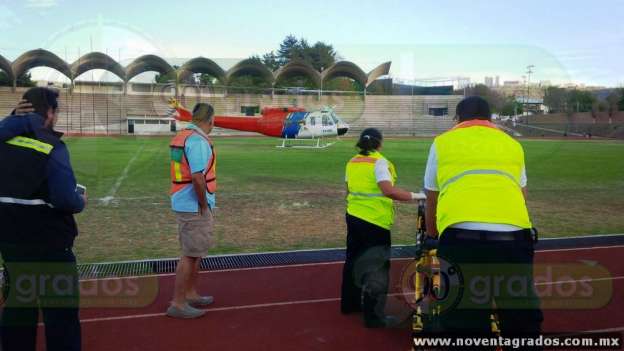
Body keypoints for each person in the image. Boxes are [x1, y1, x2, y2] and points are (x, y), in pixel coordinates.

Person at [423, 96, 542, 345]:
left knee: (463, 320)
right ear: (490, 119)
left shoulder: (443, 142)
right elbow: (522, 194)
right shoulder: (512, 144)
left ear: (457, 119)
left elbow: (432, 196)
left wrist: (433, 231)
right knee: (521, 318)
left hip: (460, 237)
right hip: (514, 236)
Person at [0, 87, 86, 351]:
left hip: (12, 243)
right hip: (51, 246)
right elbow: (64, 200)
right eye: (56, 111)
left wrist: (12, 120)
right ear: (49, 113)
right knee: (61, 318)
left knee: (18, 312)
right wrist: (80, 200)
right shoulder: (51, 147)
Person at [341, 128, 424, 328]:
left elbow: (348, 189)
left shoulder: (352, 162)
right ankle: (374, 316)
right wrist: (418, 196)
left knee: (353, 260)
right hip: (375, 222)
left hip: (353, 216)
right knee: (377, 269)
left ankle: (349, 304)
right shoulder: (379, 162)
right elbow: (388, 190)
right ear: (380, 143)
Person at [167, 103, 217, 319]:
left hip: (184, 201)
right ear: (210, 120)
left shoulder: (184, 135)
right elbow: (197, 177)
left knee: (195, 252)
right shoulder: (197, 140)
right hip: (194, 204)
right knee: (189, 254)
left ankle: (190, 293)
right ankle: (178, 303)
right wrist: (203, 204)